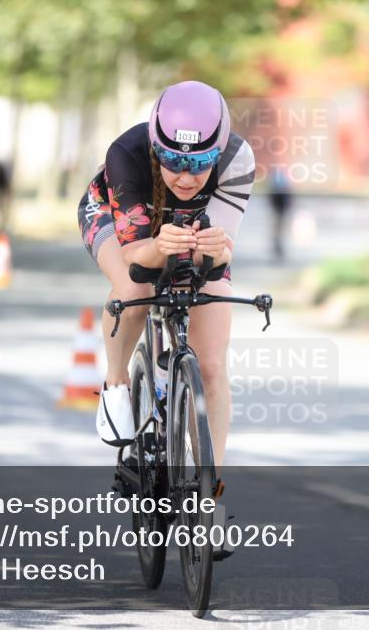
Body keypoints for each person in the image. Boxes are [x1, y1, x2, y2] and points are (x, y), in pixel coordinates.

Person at [77, 81, 255, 477]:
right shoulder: (127, 152)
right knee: (135, 286)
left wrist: (211, 251)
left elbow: (220, 256)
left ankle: (213, 493)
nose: (186, 178)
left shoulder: (237, 159)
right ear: (156, 148)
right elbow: (137, 259)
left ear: (220, 151)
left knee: (211, 362)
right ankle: (117, 380)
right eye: (173, 162)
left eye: (199, 163)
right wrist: (159, 247)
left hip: (192, 230)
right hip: (113, 217)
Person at [267, 165, 293, 259]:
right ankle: (277, 247)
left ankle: (278, 247)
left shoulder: (277, 182)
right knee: (278, 229)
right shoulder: (280, 182)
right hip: (279, 209)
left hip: (280, 209)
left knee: (278, 229)